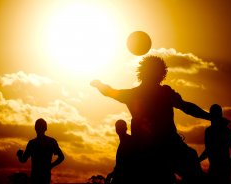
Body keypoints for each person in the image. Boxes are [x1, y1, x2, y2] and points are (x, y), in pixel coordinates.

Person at [91, 55, 213, 183]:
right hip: (165, 147)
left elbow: (110, 92)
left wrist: (99, 85)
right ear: (161, 74)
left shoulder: (135, 94)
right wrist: (209, 116)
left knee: (186, 164)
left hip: (148, 149)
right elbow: (186, 107)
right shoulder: (164, 93)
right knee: (190, 167)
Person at [199, 104, 231, 184]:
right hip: (216, 168)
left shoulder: (222, 131)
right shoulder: (211, 131)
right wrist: (198, 160)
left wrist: (229, 165)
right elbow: (208, 150)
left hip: (221, 169)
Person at [16, 118, 65, 184]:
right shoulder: (51, 142)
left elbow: (23, 160)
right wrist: (51, 166)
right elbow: (61, 157)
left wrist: (19, 154)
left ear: (35, 128)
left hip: (35, 176)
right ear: (45, 128)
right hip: (45, 176)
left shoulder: (32, 143)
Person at [105, 119, 135, 184]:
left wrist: (112, 175)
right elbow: (119, 165)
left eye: (120, 127)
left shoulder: (128, 141)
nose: (118, 129)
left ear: (125, 128)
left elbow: (124, 164)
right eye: (117, 127)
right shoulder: (124, 142)